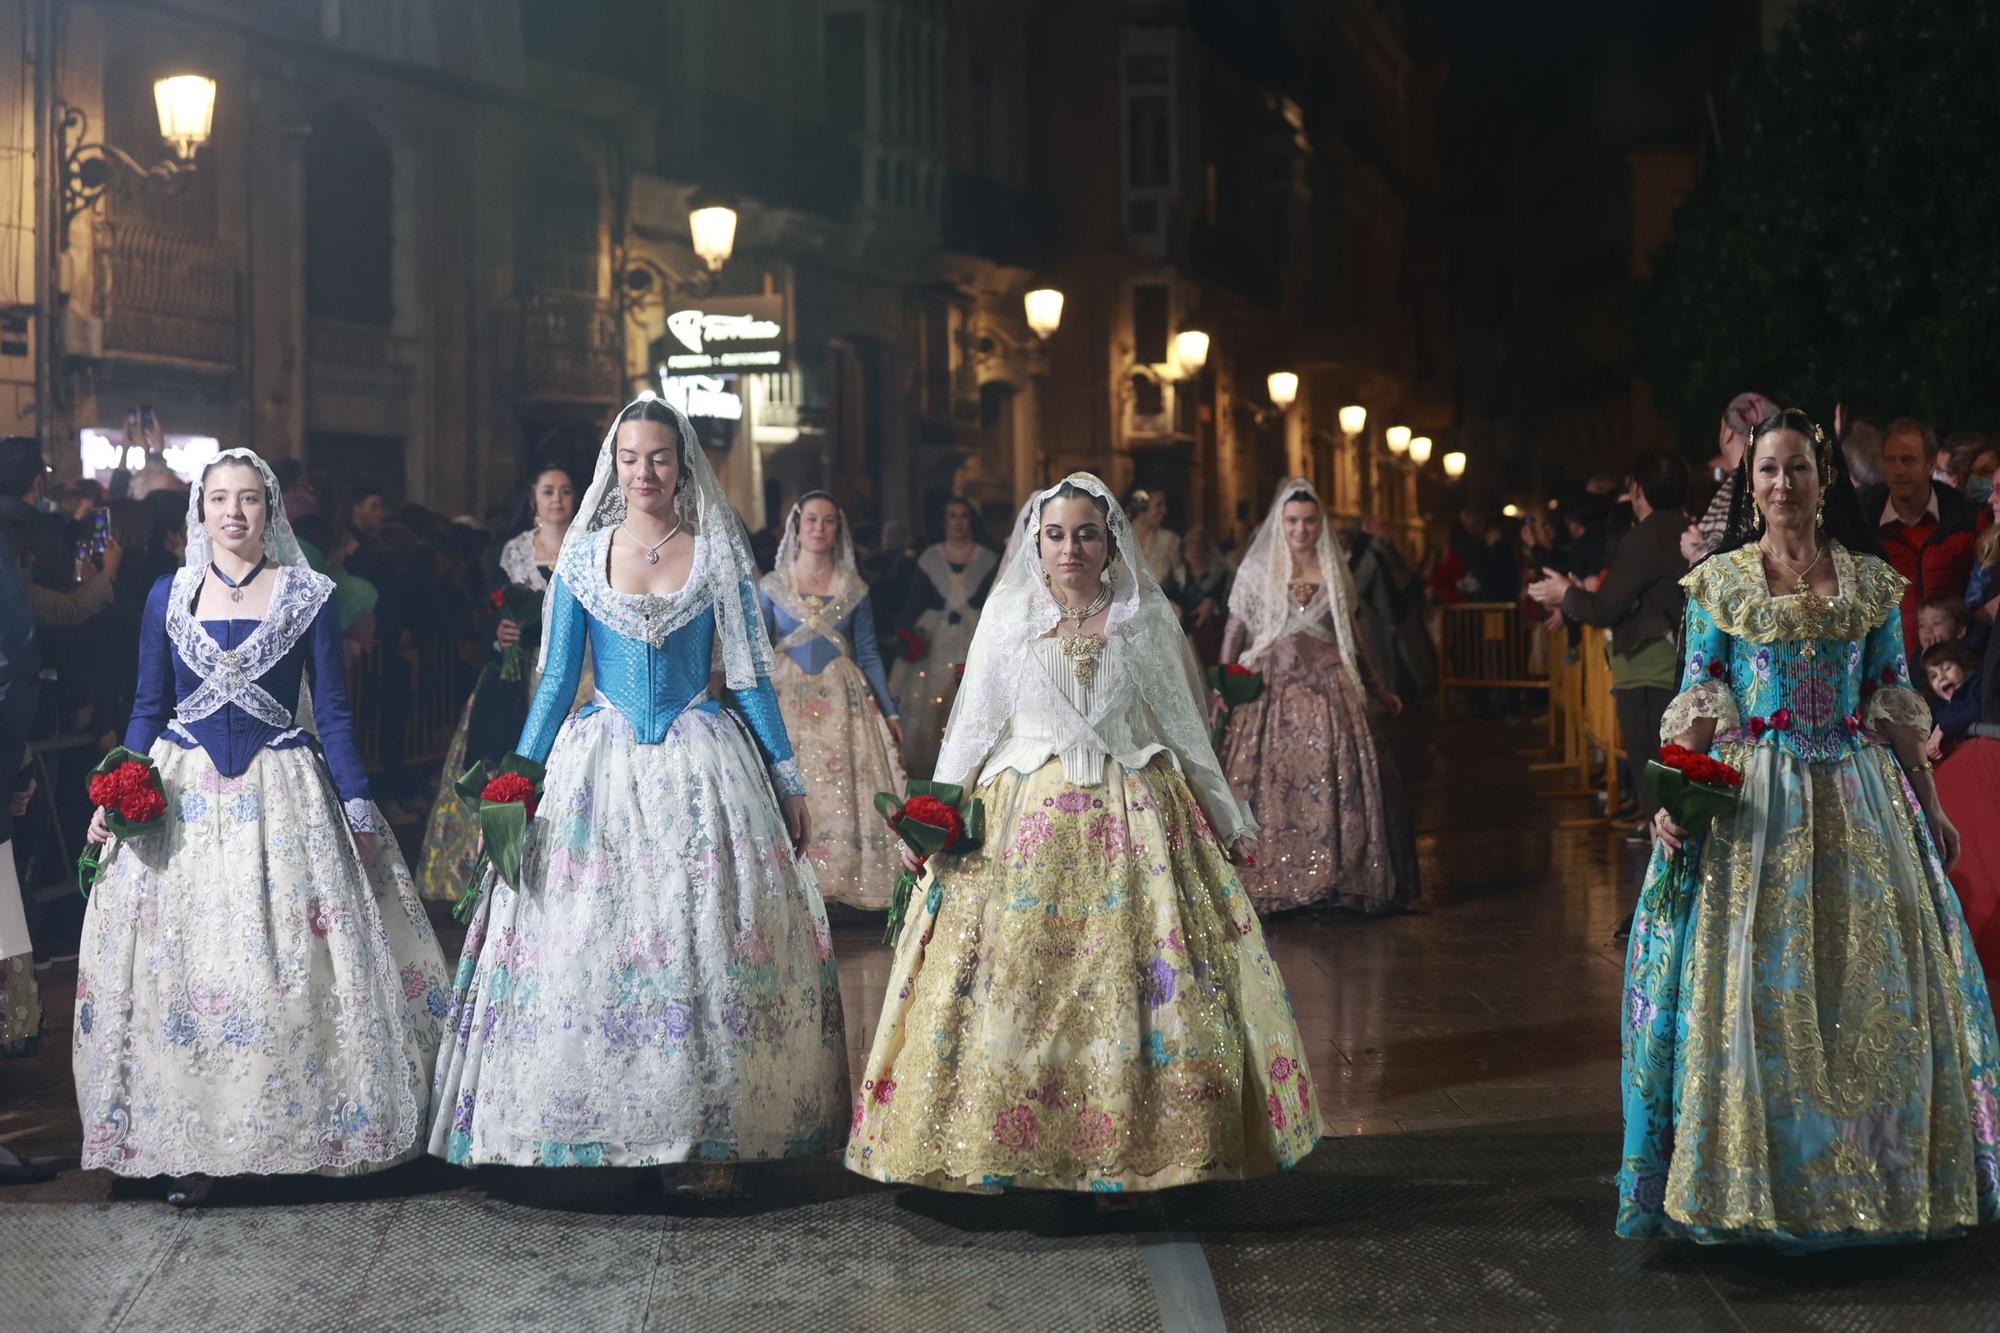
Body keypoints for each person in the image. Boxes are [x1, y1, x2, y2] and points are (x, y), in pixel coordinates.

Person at [845, 473, 1320, 1192]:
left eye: (1087, 534)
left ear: (1111, 542)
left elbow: (1184, 730)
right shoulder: (1008, 616)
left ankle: (1133, 1150)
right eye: (1057, 534)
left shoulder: (1141, 620)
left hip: (1132, 821)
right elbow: (970, 727)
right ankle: (1011, 1147)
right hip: (1024, 825)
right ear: (1036, 541)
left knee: (1133, 986)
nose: (1071, 548)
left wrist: (1228, 815)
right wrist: (931, 818)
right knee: (1019, 988)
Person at [429, 396, 848, 1170]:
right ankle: (591, 1126)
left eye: (658, 457)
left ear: (681, 466)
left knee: (702, 936)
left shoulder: (718, 553)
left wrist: (787, 776)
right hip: (601, 761)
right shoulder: (585, 557)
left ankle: (706, 1129)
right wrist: (517, 784)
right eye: (629, 457)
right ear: (612, 466)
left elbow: (751, 678)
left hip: (701, 760)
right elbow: (556, 683)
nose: (643, 471)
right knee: (591, 934)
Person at [1619, 408, 1999, 1249]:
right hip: (1755, 809)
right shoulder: (1721, 583)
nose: (1782, 484)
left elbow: (1894, 700)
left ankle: (1875, 1179)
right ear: (1749, 487)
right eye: (1767, 471)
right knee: (1756, 997)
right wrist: (1676, 800)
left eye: (1797, 468)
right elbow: (1700, 702)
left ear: (1823, 482)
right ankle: (1756, 1185)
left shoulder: (1866, 580)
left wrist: (1928, 803)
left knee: (1869, 994)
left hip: (1858, 802)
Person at [72, 449, 448, 1206]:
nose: (234, 513)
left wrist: (359, 808)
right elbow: (148, 705)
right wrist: (118, 787)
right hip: (183, 802)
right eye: (219, 499)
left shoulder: (309, 593)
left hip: (284, 797)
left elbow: (334, 715)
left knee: (284, 964)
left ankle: (293, 1129)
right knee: (189, 967)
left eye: (248, 499)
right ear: (200, 509)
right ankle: (191, 1140)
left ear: (269, 511)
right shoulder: (166, 595)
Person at [1218, 478, 1419, 915]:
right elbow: (1235, 629)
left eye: (1309, 521)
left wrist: (1377, 685)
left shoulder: (1333, 569)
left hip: (1329, 686)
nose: (1301, 530)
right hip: (1271, 687)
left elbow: (1352, 633)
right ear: (1280, 523)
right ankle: (1275, 880)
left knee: (1337, 777)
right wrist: (1225, 682)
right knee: (1272, 782)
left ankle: (1334, 878)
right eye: (1292, 521)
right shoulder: (1259, 571)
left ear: (1320, 524)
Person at [414, 462, 582, 903]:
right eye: (548, 491)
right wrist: (499, 630)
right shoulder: (511, 553)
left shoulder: (587, 549)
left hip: (578, 675)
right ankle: (493, 866)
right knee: (502, 760)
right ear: (533, 499)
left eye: (566, 491)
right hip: (516, 671)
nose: (558, 499)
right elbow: (483, 610)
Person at [758, 492, 906, 910]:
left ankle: (843, 883)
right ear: (797, 527)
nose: (819, 528)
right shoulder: (772, 587)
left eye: (828, 521)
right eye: (811, 520)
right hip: (786, 697)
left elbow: (870, 652)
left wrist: (890, 710)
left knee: (847, 787)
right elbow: (758, 650)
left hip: (843, 700)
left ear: (838, 530)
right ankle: (791, 884)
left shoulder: (854, 589)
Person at [1528, 449, 1691, 828]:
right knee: (1674, 786)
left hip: (1649, 674)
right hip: (1674, 670)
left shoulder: (1646, 537)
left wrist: (1564, 593)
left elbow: (1604, 607)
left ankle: (1665, 883)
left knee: (1659, 795)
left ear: (1636, 488)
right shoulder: (1685, 529)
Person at [888, 497, 998, 777]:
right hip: (934, 638)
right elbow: (913, 601)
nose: (958, 522)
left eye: (963, 516)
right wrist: (907, 633)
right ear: (944, 521)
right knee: (932, 699)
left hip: (974, 634)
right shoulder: (930, 558)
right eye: (952, 516)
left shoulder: (987, 559)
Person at [1858, 417, 1980, 659]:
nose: (1899, 470)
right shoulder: (1862, 525)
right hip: (1887, 671)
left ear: (1930, 464)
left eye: (1908, 460)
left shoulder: (1965, 518)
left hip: (1953, 672)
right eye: (1890, 460)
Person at [1681, 392, 1777, 564]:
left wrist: (1699, 553)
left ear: (1728, 433)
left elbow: (1746, 570)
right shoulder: (1785, 488)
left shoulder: (1737, 490)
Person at [1164, 523, 1233, 664]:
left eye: (1199, 541)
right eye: (1191, 542)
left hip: (1211, 633)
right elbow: (1165, 593)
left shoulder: (1219, 572)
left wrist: (1212, 603)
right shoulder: (1179, 571)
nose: (1195, 546)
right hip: (1182, 630)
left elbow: (1227, 602)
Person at [1127, 488, 1182, 583]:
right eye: (1158, 505)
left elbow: (1181, 580)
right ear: (1141, 506)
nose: (1164, 511)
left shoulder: (1169, 540)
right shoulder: (1116, 539)